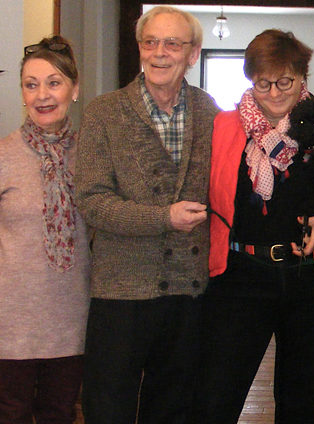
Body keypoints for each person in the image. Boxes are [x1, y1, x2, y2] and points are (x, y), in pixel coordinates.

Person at [196, 29, 314, 424]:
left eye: (285, 82)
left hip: (311, 284)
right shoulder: (224, 127)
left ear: (303, 78)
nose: (273, 93)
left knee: (299, 404)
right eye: (263, 82)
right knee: (215, 400)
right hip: (240, 280)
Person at [74, 6, 220, 423]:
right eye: (150, 42)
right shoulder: (104, 113)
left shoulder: (210, 112)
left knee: (174, 408)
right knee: (108, 406)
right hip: (120, 293)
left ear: (192, 54)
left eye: (172, 43)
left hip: (187, 295)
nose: (159, 53)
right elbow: (92, 201)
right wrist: (163, 218)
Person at [0, 35, 89, 424]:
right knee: (11, 413)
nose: (42, 95)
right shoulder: (3, 155)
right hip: (10, 321)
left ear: (74, 89)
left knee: (60, 414)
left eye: (53, 82)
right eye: (31, 84)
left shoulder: (92, 155)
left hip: (71, 317)